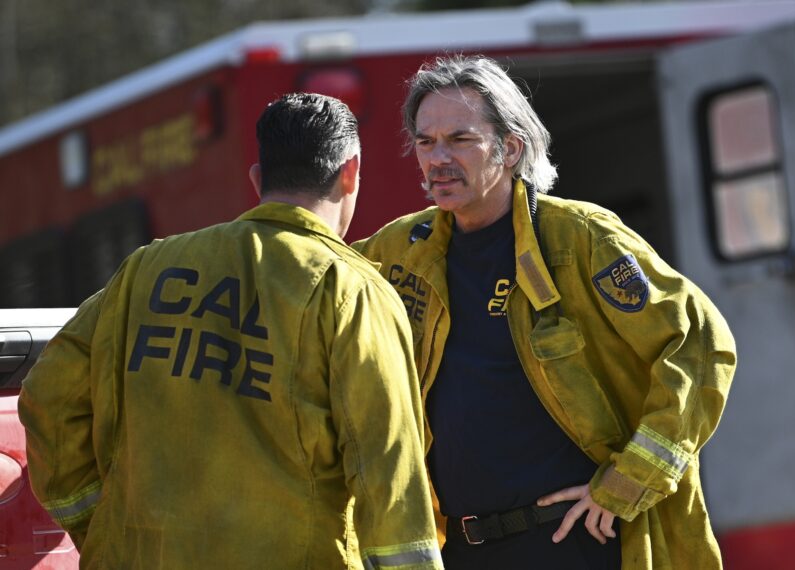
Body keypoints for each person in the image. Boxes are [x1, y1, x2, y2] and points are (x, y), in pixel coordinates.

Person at [19, 93, 443, 570]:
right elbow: (389, 479)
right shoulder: (351, 292)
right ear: (350, 172)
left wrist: (102, 521)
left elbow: (49, 398)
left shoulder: (146, 270)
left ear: (259, 179)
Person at [353, 55, 737, 569]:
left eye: (460, 139)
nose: (437, 158)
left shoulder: (580, 237)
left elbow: (699, 345)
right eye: (425, 142)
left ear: (510, 148)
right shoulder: (398, 250)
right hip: (462, 550)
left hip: (571, 544)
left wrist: (626, 483)